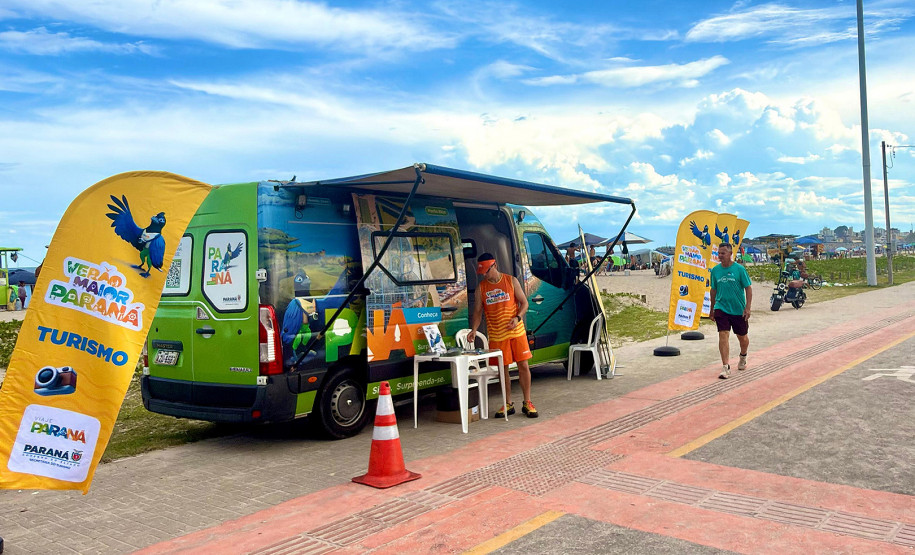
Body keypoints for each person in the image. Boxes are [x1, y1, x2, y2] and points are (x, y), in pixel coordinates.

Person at [469, 252, 537, 418]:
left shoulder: (511, 281)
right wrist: (474, 329)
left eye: (487, 270)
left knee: (523, 366)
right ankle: (508, 403)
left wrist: (517, 317)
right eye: (482, 272)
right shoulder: (481, 288)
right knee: (502, 370)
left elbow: (524, 303)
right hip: (497, 336)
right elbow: (478, 312)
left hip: (517, 332)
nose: (485, 275)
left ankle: (527, 402)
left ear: (495, 265)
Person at [709, 242, 752, 379]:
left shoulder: (739, 269)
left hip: (738, 309)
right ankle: (725, 366)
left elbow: (748, 288)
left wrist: (748, 307)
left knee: (743, 337)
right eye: (718, 253)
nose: (720, 255)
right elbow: (713, 290)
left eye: (723, 253)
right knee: (723, 334)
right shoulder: (715, 271)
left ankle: (743, 356)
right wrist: (712, 309)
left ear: (730, 254)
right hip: (721, 307)